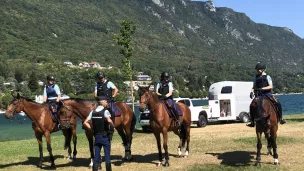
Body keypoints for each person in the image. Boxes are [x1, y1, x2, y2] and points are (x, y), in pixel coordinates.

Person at [247, 63, 286, 127]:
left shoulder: (267, 77)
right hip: (258, 95)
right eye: (257, 69)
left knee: (277, 102)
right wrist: (251, 92)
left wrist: (262, 88)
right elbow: (254, 87)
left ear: (262, 69)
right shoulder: (255, 78)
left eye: (258, 69)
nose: (257, 70)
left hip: (267, 93)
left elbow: (271, 86)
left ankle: (281, 118)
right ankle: (252, 121)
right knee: (252, 105)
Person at [83, 96, 114, 171]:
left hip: (97, 136)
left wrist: (91, 129)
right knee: (107, 156)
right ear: (103, 102)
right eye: (106, 102)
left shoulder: (92, 112)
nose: (107, 103)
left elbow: (85, 122)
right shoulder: (105, 111)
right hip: (105, 136)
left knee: (96, 156)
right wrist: (113, 126)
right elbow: (109, 121)